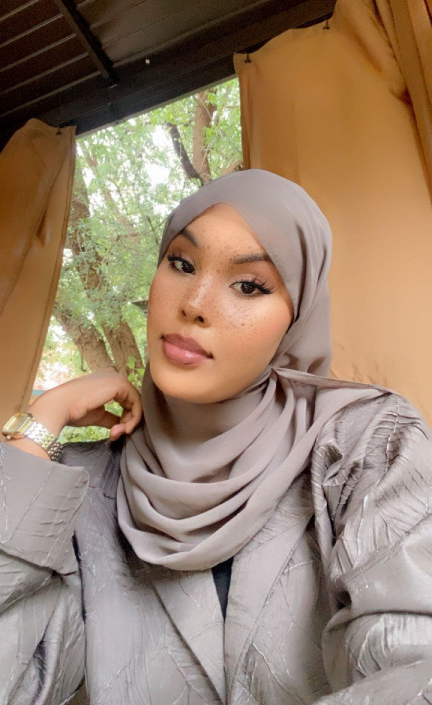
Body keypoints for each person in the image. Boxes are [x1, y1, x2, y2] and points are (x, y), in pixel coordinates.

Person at [1, 169, 432, 705]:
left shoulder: (368, 442)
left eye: (249, 285)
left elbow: (416, 665)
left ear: (296, 319)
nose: (195, 303)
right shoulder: (78, 484)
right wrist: (38, 425)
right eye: (181, 263)